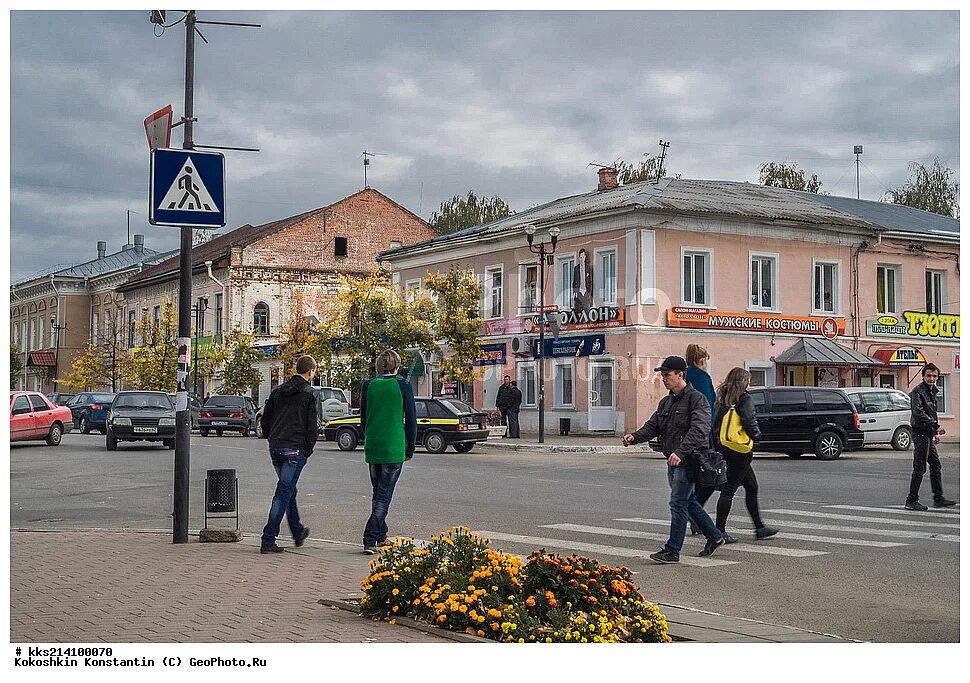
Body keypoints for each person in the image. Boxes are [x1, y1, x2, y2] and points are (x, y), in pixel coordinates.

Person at [622, 355, 726, 563]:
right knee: (688, 502)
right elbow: (653, 426)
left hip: (689, 460)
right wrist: (634, 437)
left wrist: (680, 452)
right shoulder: (666, 402)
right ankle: (714, 536)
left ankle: (672, 551)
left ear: (681, 375)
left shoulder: (697, 399)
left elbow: (700, 430)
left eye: (667, 375)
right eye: (662, 375)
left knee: (678, 502)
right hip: (673, 460)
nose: (664, 379)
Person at [695, 367, 778, 543]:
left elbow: (715, 423)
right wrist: (757, 437)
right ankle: (719, 532)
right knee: (729, 490)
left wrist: (718, 446)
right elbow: (749, 420)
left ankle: (759, 527)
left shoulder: (722, 398)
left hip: (726, 447)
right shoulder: (744, 398)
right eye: (747, 380)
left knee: (751, 486)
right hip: (741, 449)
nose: (749, 383)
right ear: (743, 382)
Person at [259, 354, 319, 554]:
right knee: (282, 493)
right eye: (315, 371)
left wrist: (271, 437)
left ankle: (297, 531)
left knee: (288, 490)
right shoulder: (309, 394)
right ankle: (268, 538)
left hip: (276, 447)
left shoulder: (278, 391)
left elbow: (265, 419)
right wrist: (307, 449)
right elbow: (312, 427)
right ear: (310, 371)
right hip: (295, 448)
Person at [360, 349, 417, 553]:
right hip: (393, 446)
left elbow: (363, 417)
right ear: (397, 366)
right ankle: (370, 537)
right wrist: (410, 447)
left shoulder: (368, 385)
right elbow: (411, 419)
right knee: (384, 495)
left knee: (378, 491)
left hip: (373, 445)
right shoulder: (403, 385)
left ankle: (381, 534)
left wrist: (367, 437)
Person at [905, 363, 956, 510]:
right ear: (923, 376)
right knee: (919, 468)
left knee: (935, 465)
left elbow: (932, 413)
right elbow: (918, 414)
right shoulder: (918, 392)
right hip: (920, 433)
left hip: (927, 433)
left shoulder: (932, 391)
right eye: (929, 375)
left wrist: (933, 433)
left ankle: (938, 498)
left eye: (934, 376)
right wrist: (936, 427)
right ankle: (911, 500)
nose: (932, 378)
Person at [572, 249, 593, 313]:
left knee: (586, 310)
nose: (582, 259)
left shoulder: (588, 267)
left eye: (583, 257)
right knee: (578, 310)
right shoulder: (576, 268)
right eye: (581, 257)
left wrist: (589, 292)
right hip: (579, 292)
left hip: (586, 292)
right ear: (579, 258)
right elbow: (574, 282)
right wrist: (575, 292)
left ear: (585, 257)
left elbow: (590, 281)